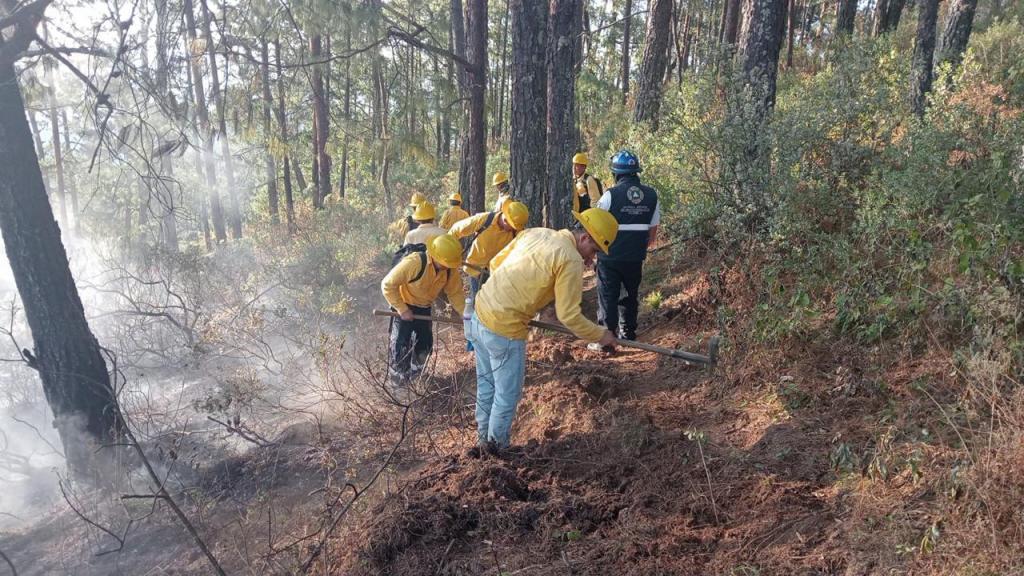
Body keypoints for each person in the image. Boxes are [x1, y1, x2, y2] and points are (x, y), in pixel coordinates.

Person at [466, 208, 619, 453]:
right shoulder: (570, 259)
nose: (591, 261)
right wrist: (601, 334)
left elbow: (496, 264)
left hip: (480, 313)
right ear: (585, 238)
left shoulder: (537, 232)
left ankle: (482, 442)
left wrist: (518, 295)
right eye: (594, 251)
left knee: (487, 387)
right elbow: (569, 315)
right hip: (504, 330)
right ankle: (495, 452)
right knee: (506, 396)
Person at [590, 150, 660, 352]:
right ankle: (628, 334)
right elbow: (652, 233)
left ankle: (606, 341)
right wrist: (637, 247)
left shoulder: (610, 196)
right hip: (635, 256)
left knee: (607, 296)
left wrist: (595, 252)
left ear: (616, 174)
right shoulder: (652, 195)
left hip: (609, 256)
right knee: (630, 294)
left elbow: (596, 226)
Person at [381, 235, 466, 385]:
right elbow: (387, 285)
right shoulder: (415, 263)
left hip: (424, 308)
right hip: (404, 305)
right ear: (435, 256)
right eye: (445, 263)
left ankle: (415, 379)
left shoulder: (449, 270)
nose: (448, 266)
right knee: (400, 347)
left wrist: (465, 314)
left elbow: (455, 293)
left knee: (425, 346)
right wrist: (402, 309)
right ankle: (397, 385)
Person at [448, 201, 529, 295]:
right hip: (476, 271)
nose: (514, 229)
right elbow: (456, 229)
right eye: (513, 227)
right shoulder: (485, 219)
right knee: (477, 303)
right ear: (506, 220)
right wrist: (448, 249)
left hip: (496, 274)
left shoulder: (516, 232)